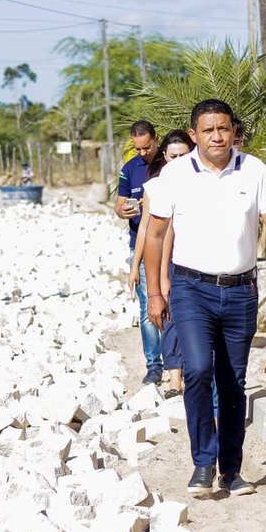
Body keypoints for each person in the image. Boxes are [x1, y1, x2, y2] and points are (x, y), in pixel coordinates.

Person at [143, 99, 266, 497]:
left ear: (234, 132)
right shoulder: (175, 175)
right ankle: (202, 463)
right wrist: (156, 293)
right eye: (208, 130)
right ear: (194, 135)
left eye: (224, 128)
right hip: (190, 289)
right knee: (196, 370)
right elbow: (156, 236)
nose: (217, 136)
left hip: (240, 291)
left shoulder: (254, 169)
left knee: (233, 382)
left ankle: (231, 470)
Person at [130, 129, 195, 395]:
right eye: (173, 156)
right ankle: (174, 379)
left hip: (195, 261)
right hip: (166, 261)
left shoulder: (204, 184)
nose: (178, 161)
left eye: (184, 155)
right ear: (164, 156)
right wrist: (137, 266)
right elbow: (147, 230)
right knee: (167, 318)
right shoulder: (156, 187)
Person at [115, 120, 162, 385]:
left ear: (156, 139)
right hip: (139, 245)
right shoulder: (129, 169)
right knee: (146, 306)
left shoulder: (168, 165)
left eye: (146, 147)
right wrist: (124, 211)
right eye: (137, 149)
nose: (142, 153)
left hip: (170, 244)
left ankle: (178, 362)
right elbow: (119, 204)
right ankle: (154, 365)